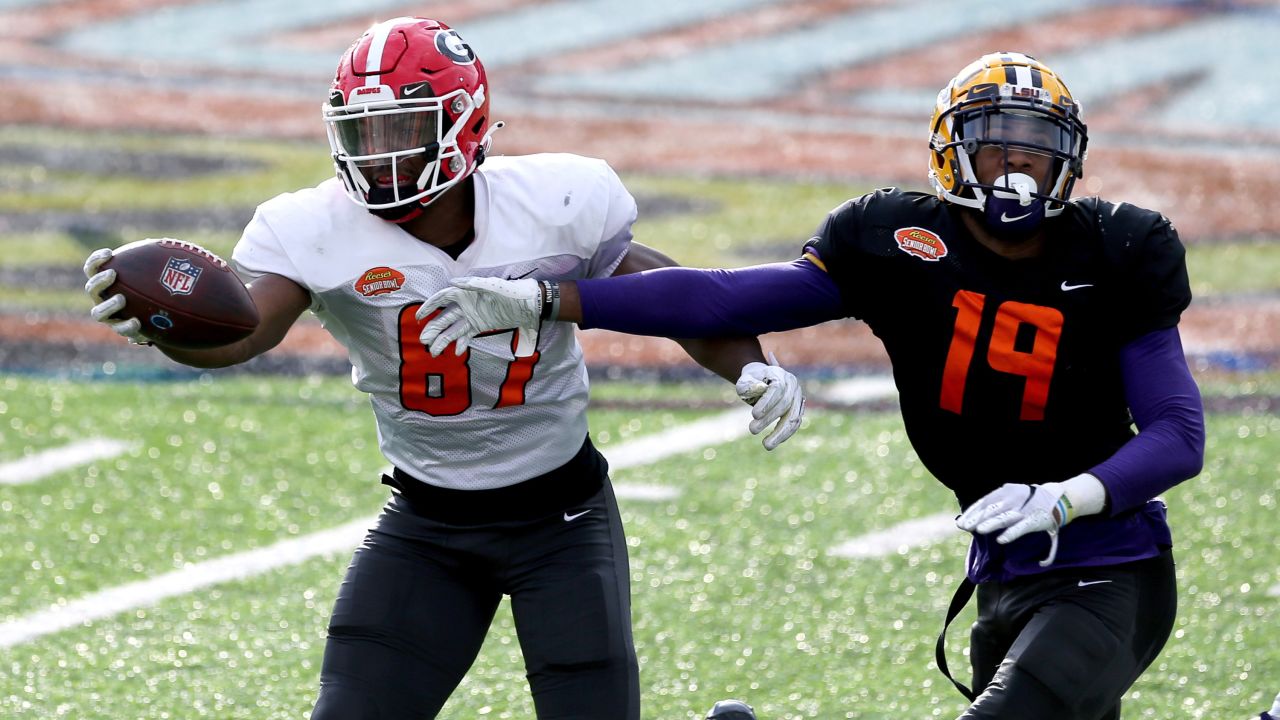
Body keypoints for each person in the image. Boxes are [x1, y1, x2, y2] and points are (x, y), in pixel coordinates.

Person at [417, 51, 1206, 719]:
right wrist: (553, 299)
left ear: (1068, 157)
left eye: (1037, 148)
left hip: (1111, 565)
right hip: (1006, 570)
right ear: (950, 152)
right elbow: (720, 297)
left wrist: (1067, 497)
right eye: (997, 146)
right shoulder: (894, 240)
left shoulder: (1119, 249)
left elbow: (1178, 433)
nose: (1018, 166)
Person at [81, 17, 804, 719]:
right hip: (425, 522)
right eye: (362, 135)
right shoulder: (313, 227)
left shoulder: (554, 203)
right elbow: (240, 333)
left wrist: (748, 362)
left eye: (400, 130)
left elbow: (662, 294)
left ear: (464, 125)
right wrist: (163, 327)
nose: (379, 155)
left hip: (561, 516)